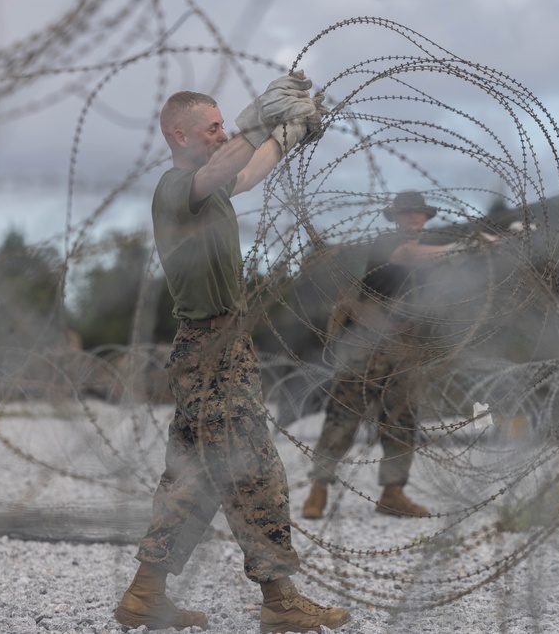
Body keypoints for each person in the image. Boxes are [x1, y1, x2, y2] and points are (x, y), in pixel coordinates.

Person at [113, 73, 351, 633]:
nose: (221, 136)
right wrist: (256, 118)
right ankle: (280, 600)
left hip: (216, 345)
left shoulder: (211, 185)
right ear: (179, 135)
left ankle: (145, 595)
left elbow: (244, 171)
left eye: (223, 126)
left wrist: (284, 136)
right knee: (253, 469)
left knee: (191, 476)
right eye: (212, 128)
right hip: (212, 348)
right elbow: (221, 168)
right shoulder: (176, 188)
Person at [301, 191, 469, 520]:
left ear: (425, 218)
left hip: (405, 343)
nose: (411, 218)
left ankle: (393, 492)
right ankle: (318, 488)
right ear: (395, 217)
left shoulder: (433, 253)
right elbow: (411, 255)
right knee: (343, 414)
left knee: (402, 418)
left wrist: (483, 247)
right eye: (405, 213)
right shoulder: (385, 242)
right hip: (366, 340)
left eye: (417, 213)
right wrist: (463, 247)